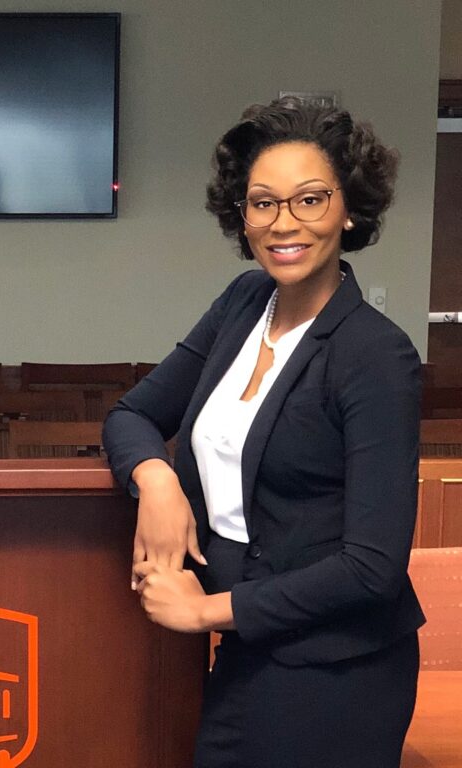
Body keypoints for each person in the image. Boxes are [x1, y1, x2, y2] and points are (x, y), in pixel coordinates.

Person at [102, 98, 424, 768]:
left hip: (339, 670)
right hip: (251, 653)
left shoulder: (374, 355)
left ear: (349, 208)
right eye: (263, 202)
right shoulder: (243, 304)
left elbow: (372, 569)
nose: (285, 223)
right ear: (240, 214)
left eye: (310, 200)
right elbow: (130, 415)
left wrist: (207, 612)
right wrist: (155, 479)